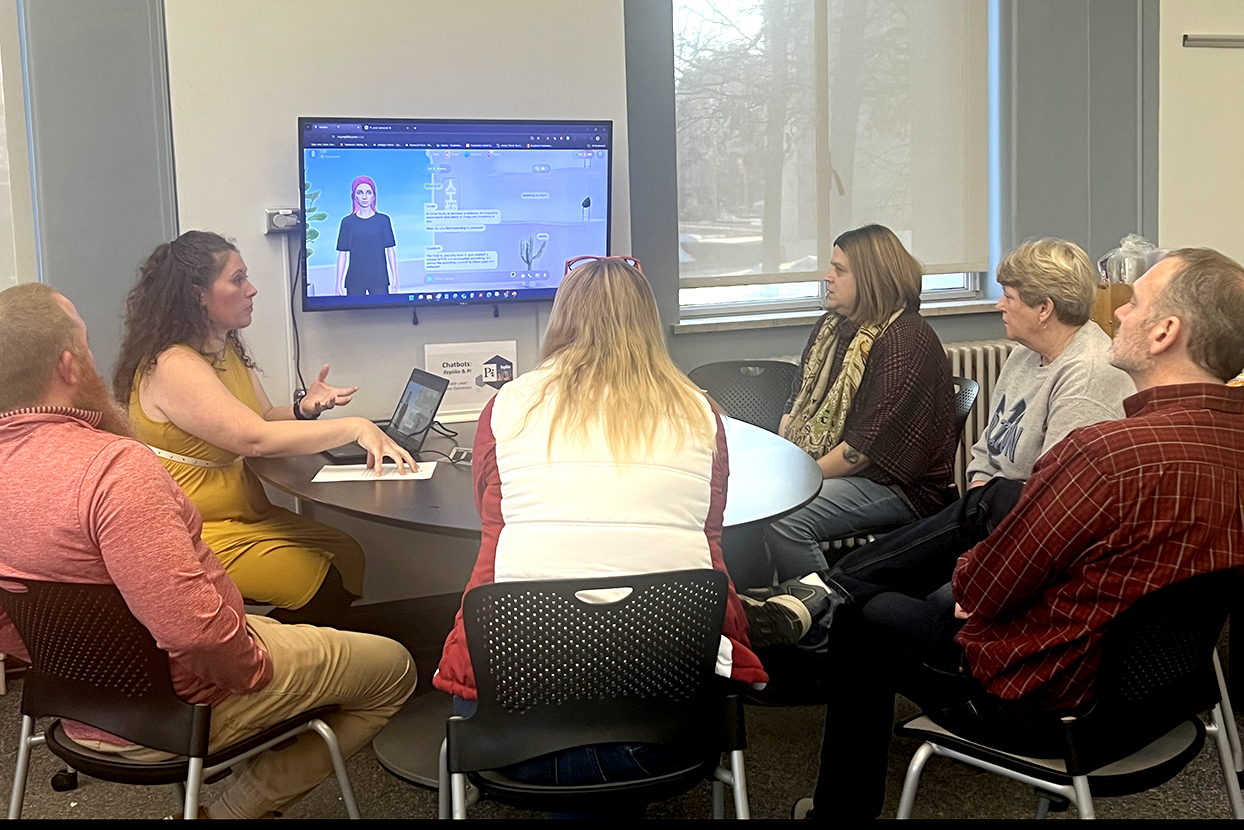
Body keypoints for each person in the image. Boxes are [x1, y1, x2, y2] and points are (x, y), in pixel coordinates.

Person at [797, 246, 1244, 819]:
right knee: (994, 502)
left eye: (1132, 304)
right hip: (1157, 704)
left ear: (1165, 332)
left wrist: (965, 580)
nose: (1117, 315)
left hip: (1043, 703)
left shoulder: (1104, 457)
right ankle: (827, 594)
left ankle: (838, 810)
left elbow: (983, 594)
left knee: (865, 620)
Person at [0, 283, 417, 820]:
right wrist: (250, 674)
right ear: (68, 366)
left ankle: (252, 749)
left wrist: (76, 667)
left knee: (284, 618)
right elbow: (195, 634)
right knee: (395, 669)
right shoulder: (112, 468)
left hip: (72, 702)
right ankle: (225, 812)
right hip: (185, 701)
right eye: (83, 343)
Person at [433, 256, 767, 808]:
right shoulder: (703, 415)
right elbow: (709, 539)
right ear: (647, 322)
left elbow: (494, 529)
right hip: (673, 730)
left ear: (561, 319)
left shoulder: (504, 409)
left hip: (512, 733)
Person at [744, 239, 1136, 647]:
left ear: (1044, 310)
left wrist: (982, 528)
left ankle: (819, 616)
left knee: (902, 600)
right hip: (978, 519)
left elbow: (1054, 502)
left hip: (1021, 541)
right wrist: (981, 507)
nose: (999, 305)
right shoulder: (1025, 355)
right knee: (870, 581)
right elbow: (986, 450)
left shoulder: (1089, 377)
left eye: (1009, 297)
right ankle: (819, 607)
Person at [113, 231, 416, 625]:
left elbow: (263, 418)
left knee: (347, 554)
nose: (251, 290)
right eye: (237, 280)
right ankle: (247, 657)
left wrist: (303, 409)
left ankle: (301, 654)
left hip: (244, 512)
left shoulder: (223, 349)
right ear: (198, 294)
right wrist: (354, 428)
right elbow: (253, 440)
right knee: (321, 582)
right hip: (199, 528)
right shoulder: (174, 365)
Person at [764, 224, 957, 583]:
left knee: (784, 519)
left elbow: (862, 451)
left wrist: (796, 481)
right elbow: (797, 399)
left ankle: (824, 623)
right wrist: (787, 462)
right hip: (838, 468)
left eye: (839, 270)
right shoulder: (832, 328)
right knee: (755, 502)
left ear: (869, 278)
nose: (827, 277)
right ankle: (761, 613)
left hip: (898, 487)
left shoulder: (905, 340)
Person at [335, 175, 398, 295]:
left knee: (382, 313)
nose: (364, 197)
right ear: (354, 196)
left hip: (379, 279)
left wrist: (395, 277)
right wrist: (338, 283)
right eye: (360, 192)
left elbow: (390, 250)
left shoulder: (383, 220)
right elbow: (342, 253)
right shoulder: (347, 222)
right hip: (355, 279)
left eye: (368, 192)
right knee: (354, 314)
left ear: (374, 196)